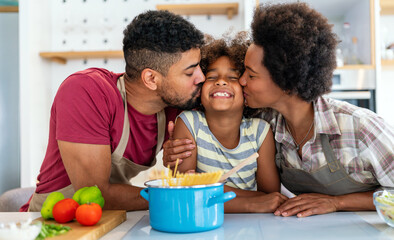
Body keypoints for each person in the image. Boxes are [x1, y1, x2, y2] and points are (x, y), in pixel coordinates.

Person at [164, 2, 394, 218]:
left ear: (286, 83)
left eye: (250, 75)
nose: (241, 81)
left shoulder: (359, 127)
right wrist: (173, 154)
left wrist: (337, 203)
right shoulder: (266, 121)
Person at [21, 10, 205, 212]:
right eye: (190, 72)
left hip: (112, 220)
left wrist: (176, 166)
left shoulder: (177, 105)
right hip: (52, 222)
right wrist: (176, 194)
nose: (201, 77)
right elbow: (96, 195)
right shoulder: (85, 91)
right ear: (151, 79)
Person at [172, 33, 287, 213]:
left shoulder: (260, 131)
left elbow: (271, 196)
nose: (221, 82)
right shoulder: (188, 123)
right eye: (211, 77)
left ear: (245, 90)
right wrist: (248, 204)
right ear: (199, 90)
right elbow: (186, 193)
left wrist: (208, 187)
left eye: (233, 78)